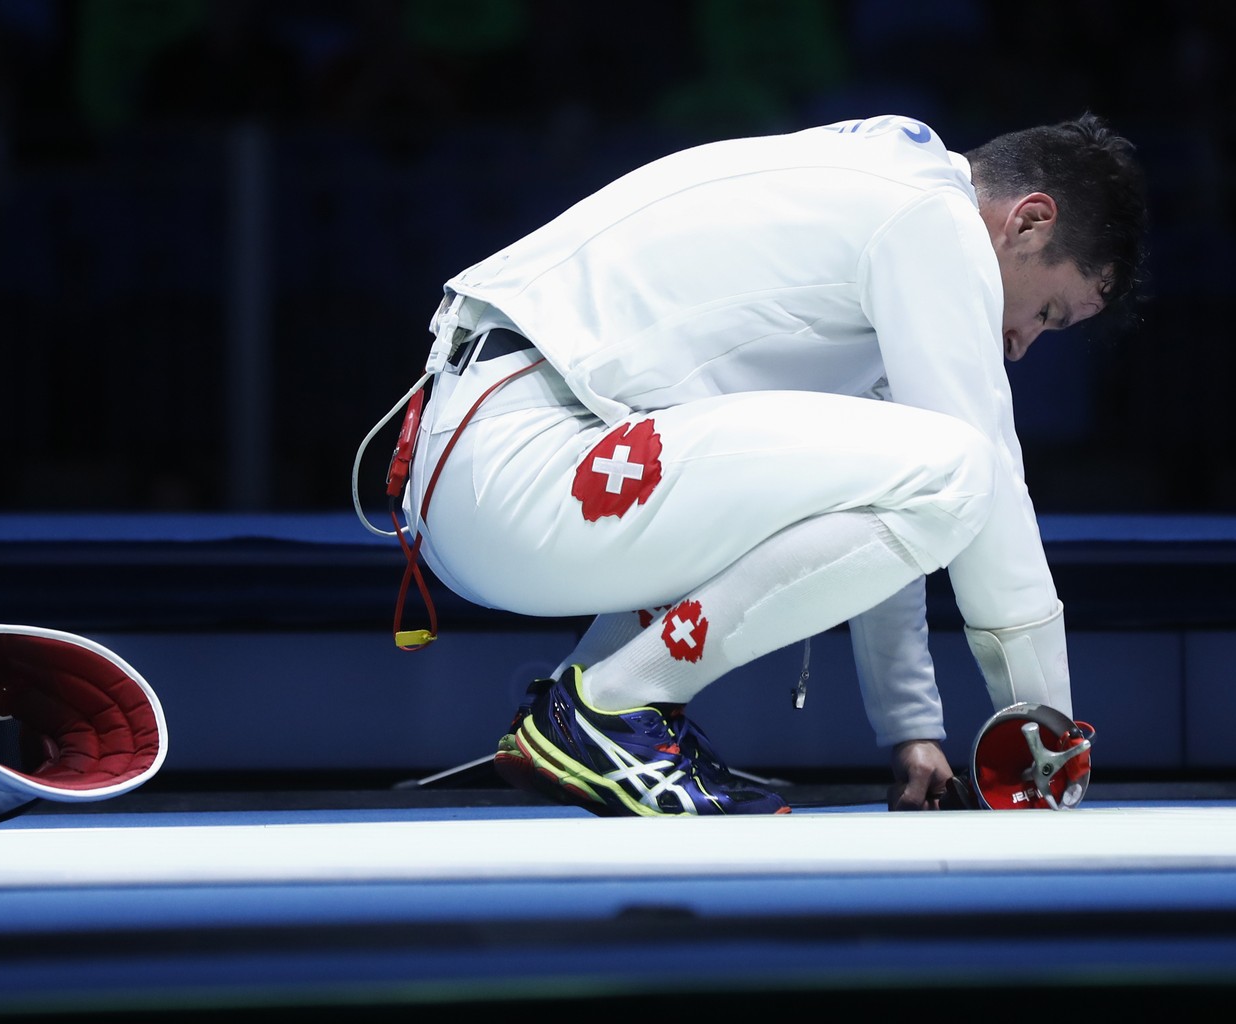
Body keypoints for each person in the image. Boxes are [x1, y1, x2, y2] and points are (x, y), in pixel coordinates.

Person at [387, 112, 1148, 815]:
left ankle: (581, 709)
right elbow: (981, 479)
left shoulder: (884, 191)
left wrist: (911, 730)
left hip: (492, 463)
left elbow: (897, 510)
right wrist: (1043, 728)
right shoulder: (928, 216)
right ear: (1029, 221)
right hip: (520, 456)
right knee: (960, 466)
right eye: (1048, 311)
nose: (1022, 342)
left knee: (929, 467)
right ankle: (611, 706)